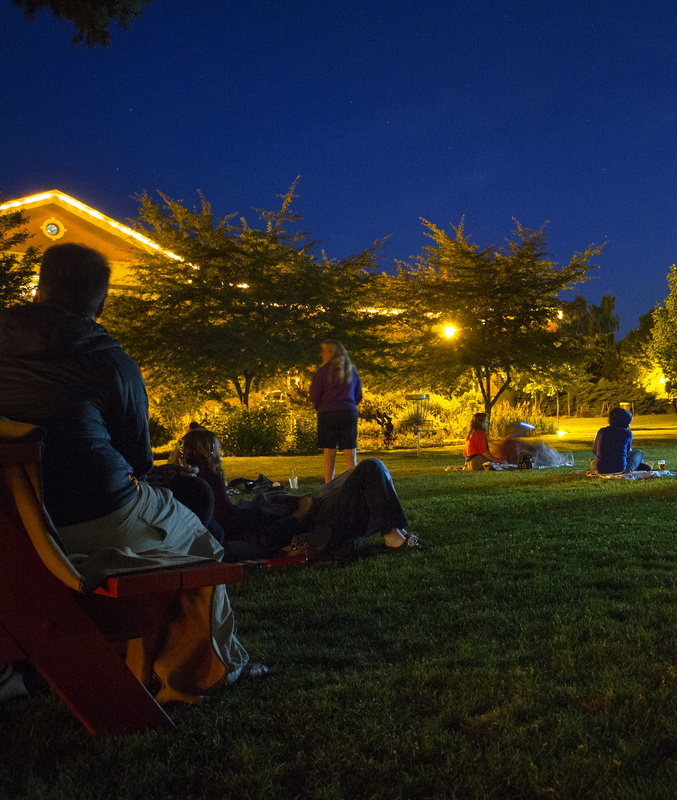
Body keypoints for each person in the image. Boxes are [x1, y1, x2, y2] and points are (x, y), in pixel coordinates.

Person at [0, 243, 259, 704]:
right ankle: (199, 671)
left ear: (37, 294)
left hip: (11, 525)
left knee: (185, 505)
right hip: (91, 519)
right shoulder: (111, 362)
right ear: (100, 306)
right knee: (200, 536)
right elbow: (137, 461)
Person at [180, 424, 417, 560]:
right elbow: (260, 535)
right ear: (210, 451)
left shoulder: (198, 485)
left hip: (294, 512)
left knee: (366, 468)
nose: (222, 454)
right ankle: (394, 536)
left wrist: (279, 501)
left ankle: (396, 529)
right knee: (371, 467)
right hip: (310, 523)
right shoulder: (208, 482)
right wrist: (298, 514)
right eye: (219, 449)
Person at [310, 339, 363, 483]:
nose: (321, 354)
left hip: (328, 413)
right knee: (350, 452)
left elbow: (315, 395)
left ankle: (329, 485)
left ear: (330, 353)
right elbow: (358, 394)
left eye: (323, 350)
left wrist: (320, 407)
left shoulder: (322, 372)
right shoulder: (351, 371)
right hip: (348, 412)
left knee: (329, 453)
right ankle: (351, 486)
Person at [591, 407, 647, 474]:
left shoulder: (601, 431)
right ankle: (639, 468)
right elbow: (627, 452)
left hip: (601, 470)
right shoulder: (627, 433)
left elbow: (595, 451)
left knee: (592, 461)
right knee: (638, 452)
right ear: (625, 422)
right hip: (619, 470)